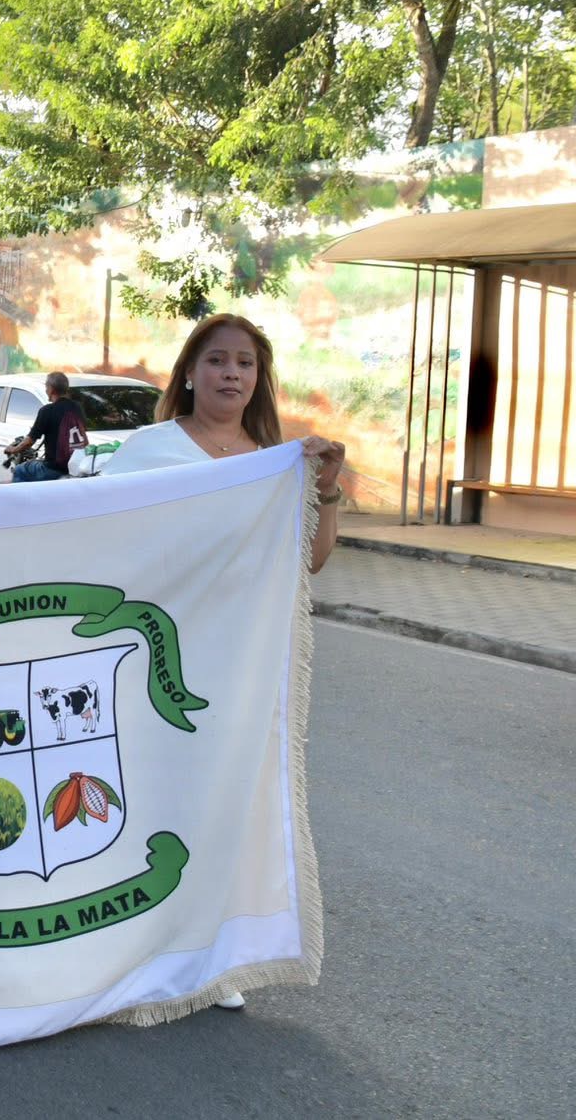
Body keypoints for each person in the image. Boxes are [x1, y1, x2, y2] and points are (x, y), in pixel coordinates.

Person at [97, 313, 346, 1009]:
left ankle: (210, 958)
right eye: (216, 361)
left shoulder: (275, 464)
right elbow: (94, 536)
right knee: (153, 796)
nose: (231, 373)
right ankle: (127, 948)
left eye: (245, 363)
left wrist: (325, 487)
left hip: (243, 663)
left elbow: (312, 561)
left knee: (224, 802)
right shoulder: (150, 450)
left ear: (258, 379)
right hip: (156, 658)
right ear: (189, 372)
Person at [5, 372, 87, 482]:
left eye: (46, 386)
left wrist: (13, 449)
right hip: (75, 466)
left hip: (53, 469)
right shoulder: (77, 407)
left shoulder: (47, 411)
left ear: (51, 389)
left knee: (20, 469)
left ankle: (18, 497)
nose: (45, 389)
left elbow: (29, 441)